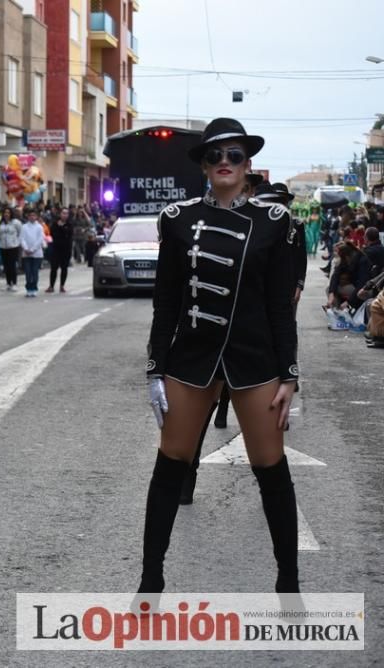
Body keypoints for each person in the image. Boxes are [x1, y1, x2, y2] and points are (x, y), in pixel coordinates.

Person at [141, 118, 300, 594]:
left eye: (234, 155)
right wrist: (155, 368)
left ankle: (288, 580)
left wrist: (290, 374)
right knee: (170, 465)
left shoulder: (275, 222)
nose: (225, 163)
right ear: (205, 166)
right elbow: (166, 300)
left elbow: (280, 305)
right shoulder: (177, 219)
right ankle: (151, 577)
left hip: (255, 361)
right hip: (191, 359)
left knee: (271, 469)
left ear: (248, 165)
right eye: (215, 156)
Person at [19, 208, 46, 297]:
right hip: (26, 253)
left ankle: (34, 288)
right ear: (28, 216)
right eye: (30, 215)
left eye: (34, 215)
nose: (32, 217)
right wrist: (26, 248)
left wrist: (33, 249)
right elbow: (21, 238)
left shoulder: (39, 227)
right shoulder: (24, 227)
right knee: (28, 272)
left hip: (36, 253)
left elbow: (40, 239)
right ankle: (28, 288)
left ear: (37, 217)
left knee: (34, 272)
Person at [47, 207, 73, 293]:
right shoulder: (55, 224)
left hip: (66, 249)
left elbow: (68, 234)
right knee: (54, 267)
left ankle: (62, 285)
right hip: (56, 249)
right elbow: (52, 234)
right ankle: (51, 286)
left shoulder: (69, 225)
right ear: (60, 214)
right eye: (63, 213)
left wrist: (62, 228)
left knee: (64, 268)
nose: (65, 215)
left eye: (66, 214)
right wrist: (59, 227)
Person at [0, 206, 22, 290]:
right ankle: (8, 283)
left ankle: (14, 283)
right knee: (6, 266)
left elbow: (20, 233)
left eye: (8, 213)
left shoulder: (16, 222)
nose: (6, 214)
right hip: (3, 247)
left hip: (13, 247)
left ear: (11, 213)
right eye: (5, 213)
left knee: (12, 265)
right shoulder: (1, 223)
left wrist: (17, 242)